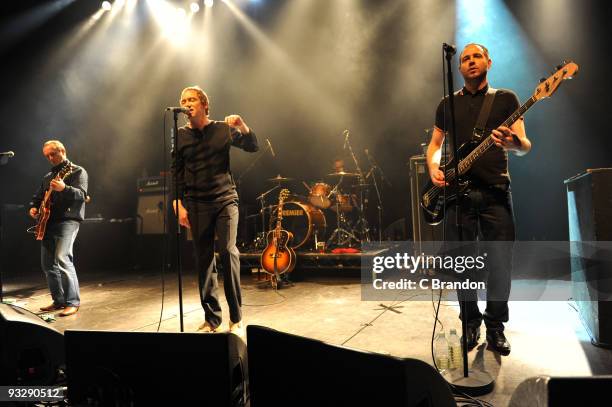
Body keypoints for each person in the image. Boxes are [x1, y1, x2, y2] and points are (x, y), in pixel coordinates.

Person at [426, 43, 531, 355]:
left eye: (476, 56)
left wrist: (512, 143)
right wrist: (433, 167)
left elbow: (525, 145)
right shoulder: (446, 104)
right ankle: (470, 323)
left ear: (489, 61)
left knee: (500, 262)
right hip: (459, 195)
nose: (471, 61)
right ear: (459, 68)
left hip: (496, 192)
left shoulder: (506, 99)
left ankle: (496, 327)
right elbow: (434, 144)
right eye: (465, 59)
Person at [171, 86, 258, 336]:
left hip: (224, 200)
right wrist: (177, 204)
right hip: (196, 204)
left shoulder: (222, 129)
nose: (187, 103)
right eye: (183, 100)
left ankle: (236, 317)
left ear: (204, 105)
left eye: (192, 100)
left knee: (228, 251)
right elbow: (176, 172)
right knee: (204, 259)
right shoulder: (180, 135)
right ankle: (212, 318)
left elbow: (253, 145)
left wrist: (241, 125)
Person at [29, 140, 88, 317]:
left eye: (52, 154)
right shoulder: (48, 176)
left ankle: (73, 302)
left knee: (62, 258)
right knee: (48, 265)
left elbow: (82, 195)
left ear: (62, 150)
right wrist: (34, 206)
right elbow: (38, 196)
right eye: (47, 156)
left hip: (68, 220)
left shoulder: (77, 171)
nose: (50, 158)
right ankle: (59, 301)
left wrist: (65, 188)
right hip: (48, 222)